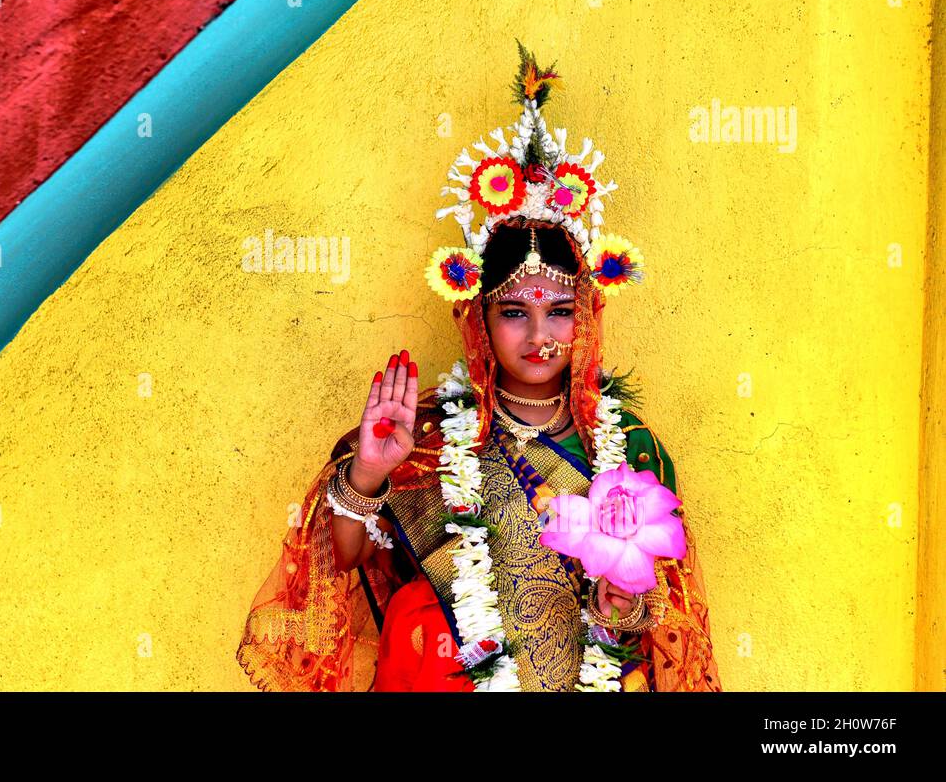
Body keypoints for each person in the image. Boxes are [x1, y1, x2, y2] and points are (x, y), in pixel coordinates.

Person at [236, 46, 721, 691]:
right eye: (515, 312)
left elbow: (664, 630)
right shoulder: (435, 437)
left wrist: (621, 606)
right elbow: (342, 558)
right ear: (479, 321)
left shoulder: (630, 450)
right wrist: (370, 473)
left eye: (561, 311)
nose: (541, 336)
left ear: (589, 315)